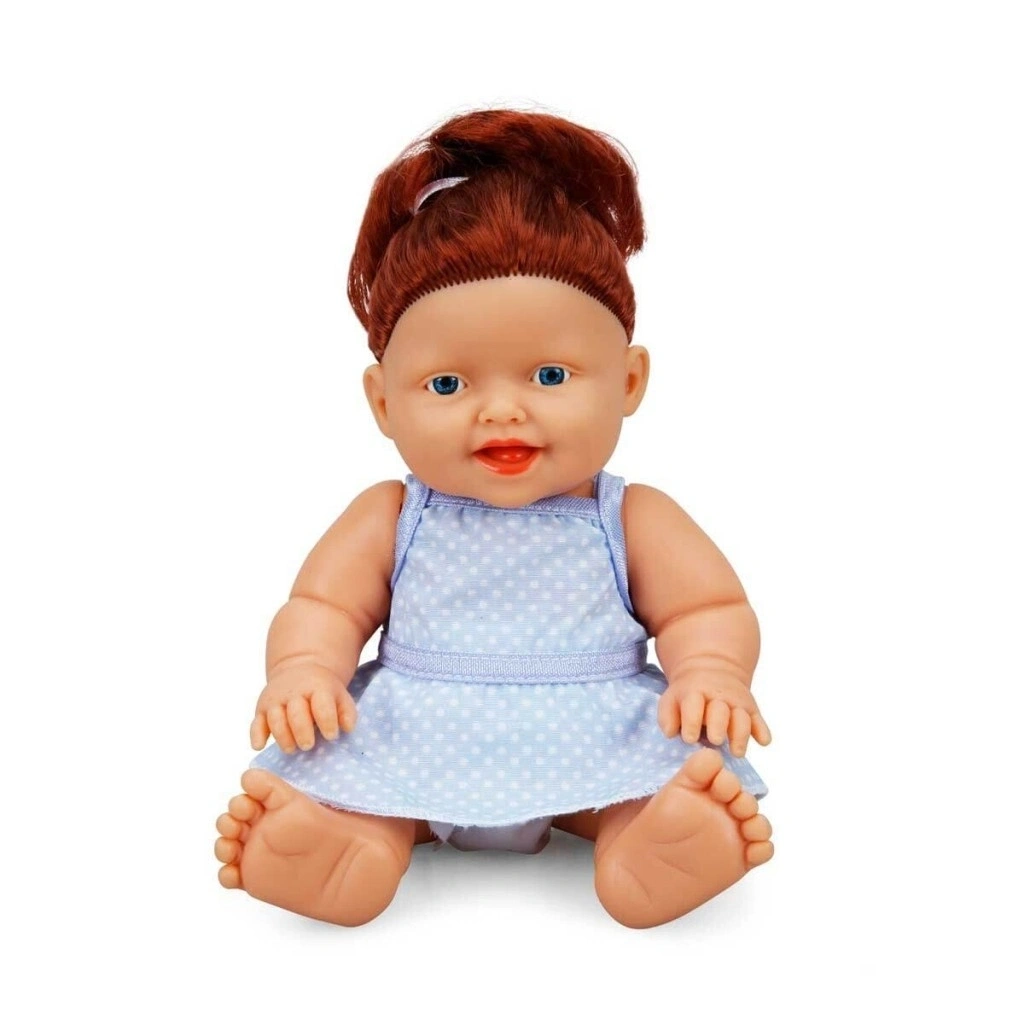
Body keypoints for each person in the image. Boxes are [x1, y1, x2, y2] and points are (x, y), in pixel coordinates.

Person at [213, 108, 774, 929]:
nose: (502, 411)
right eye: (448, 385)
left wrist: (711, 670)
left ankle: (651, 848)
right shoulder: (392, 512)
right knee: (364, 793)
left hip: (592, 732)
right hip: (415, 733)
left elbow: (706, 607)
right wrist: (304, 668)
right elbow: (324, 606)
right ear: (383, 402)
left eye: (550, 375)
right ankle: (344, 851)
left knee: (643, 785)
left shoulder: (629, 516)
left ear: (627, 382)